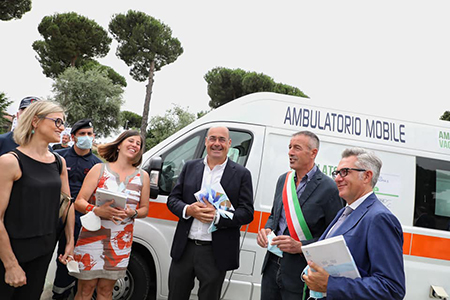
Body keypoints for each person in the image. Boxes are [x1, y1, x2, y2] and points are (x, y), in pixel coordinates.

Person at [302, 148, 406, 299]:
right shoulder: (344, 212)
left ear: (366, 176)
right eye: (336, 173)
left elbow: (391, 288)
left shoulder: (379, 218)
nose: (337, 179)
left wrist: (331, 285)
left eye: (344, 172)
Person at [166, 126, 254, 300]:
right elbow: (173, 200)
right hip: (185, 248)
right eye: (212, 138)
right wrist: (188, 210)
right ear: (206, 141)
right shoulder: (190, 167)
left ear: (229, 144)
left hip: (215, 252)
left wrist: (217, 216)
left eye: (222, 140)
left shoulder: (242, 174)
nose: (217, 143)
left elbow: (247, 213)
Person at [0, 100, 74, 300]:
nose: (62, 127)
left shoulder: (59, 162)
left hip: (44, 250)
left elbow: (66, 203)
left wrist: (70, 240)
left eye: (63, 122)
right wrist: (10, 264)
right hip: (11, 251)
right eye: (57, 121)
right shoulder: (10, 161)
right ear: (35, 121)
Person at [256, 131, 343, 300]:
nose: (290, 152)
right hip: (272, 267)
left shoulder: (329, 188)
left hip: (300, 272)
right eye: (289, 147)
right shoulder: (284, 180)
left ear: (313, 153)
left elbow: (334, 238)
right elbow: (275, 215)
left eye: (297, 148)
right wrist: (267, 230)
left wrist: (300, 246)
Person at [70, 130, 150, 300]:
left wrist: (133, 212)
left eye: (138, 144)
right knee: (85, 289)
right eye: (131, 141)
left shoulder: (143, 176)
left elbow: (144, 209)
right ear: (119, 144)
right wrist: (97, 210)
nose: (135, 145)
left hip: (119, 244)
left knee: (106, 291)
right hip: (91, 239)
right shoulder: (99, 169)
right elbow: (79, 202)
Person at [52, 119, 102, 300]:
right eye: (82, 134)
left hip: (80, 218)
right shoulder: (59, 156)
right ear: (73, 137)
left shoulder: (97, 165)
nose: (86, 137)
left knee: (69, 258)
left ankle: (63, 294)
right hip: (54, 215)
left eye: (90, 134)